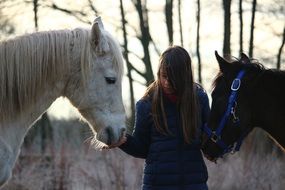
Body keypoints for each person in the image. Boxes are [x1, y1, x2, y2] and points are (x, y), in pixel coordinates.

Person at [107, 45, 210, 190]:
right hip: (156, 185)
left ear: (184, 76)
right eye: (164, 76)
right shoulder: (146, 104)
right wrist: (123, 141)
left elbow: (208, 142)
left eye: (172, 78)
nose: (167, 83)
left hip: (194, 184)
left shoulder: (200, 99)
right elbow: (142, 148)